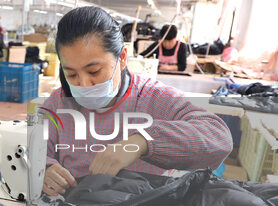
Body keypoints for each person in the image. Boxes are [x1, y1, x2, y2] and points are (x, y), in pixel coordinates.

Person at [41, 7, 232, 196]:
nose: (83, 84)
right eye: (71, 74)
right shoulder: (59, 103)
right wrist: (44, 168)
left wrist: (143, 142)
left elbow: (218, 137)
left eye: (94, 71)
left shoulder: (154, 99)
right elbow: (28, 148)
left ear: (122, 58)